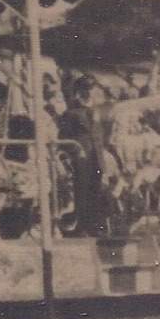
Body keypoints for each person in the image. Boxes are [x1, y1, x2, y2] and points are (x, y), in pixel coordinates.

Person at [56, 74, 109, 238]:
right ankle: (81, 226)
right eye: (85, 89)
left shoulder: (98, 111)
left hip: (97, 158)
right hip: (81, 159)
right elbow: (63, 138)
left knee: (97, 191)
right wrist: (75, 151)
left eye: (91, 89)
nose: (89, 92)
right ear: (79, 91)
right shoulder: (71, 113)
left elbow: (102, 135)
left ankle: (94, 226)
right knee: (82, 192)